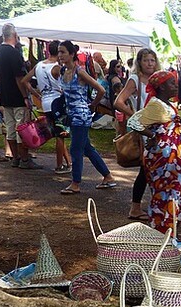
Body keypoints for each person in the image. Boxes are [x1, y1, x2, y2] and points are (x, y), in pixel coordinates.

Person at [127, 70, 181, 233]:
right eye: (171, 83)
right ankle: (163, 232)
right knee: (166, 193)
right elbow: (134, 122)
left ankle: (169, 233)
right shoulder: (156, 104)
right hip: (163, 159)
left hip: (173, 159)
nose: (175, 85)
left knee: (173, 192)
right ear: (161, 87)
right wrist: (153, 136)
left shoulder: (166, 104)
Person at [57, 41, 116, 195]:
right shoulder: (63, 71)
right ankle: (107, 176)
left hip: (81, 116)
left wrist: (93, 105)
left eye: (63, 52)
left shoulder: (80, 72)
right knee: (87, 148)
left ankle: (76, 183)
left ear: (71, 54)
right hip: (73, 115)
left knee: (76, 149)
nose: (60, 55)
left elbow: (101, 89)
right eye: (59, 52)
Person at [115, 48, 160, 221]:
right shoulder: (135, 80)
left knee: (150, 168)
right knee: (146, 168)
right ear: (139, 62)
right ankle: (136, 207)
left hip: (157, 127)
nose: (150, 63)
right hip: (143, 130)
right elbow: (118, 102)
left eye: (152, 60)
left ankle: (142, 206)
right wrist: (134, 115)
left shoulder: (156, 79)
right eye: (146, 60)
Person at [0, 23, 38, 169]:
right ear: (14, 35)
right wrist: (25, 96)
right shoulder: (14, 53)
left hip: (4, 96)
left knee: (11, 128)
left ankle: (15, 158)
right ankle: (24, 159)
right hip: (17, 96)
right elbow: (19, 78)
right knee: (21, 128)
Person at [21, 40, 71, 174]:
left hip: (45, 101)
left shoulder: (39, 65)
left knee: (57, 132)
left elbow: (25, 80)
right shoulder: (56, 68)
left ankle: (68, 162)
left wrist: (36, 94)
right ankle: (59, 165)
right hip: (56, 102)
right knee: (60, 134)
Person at [106, 59, 125, 135]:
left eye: (120, 66)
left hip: (114, 99)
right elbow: (120, 90)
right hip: (118, 100)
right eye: (118, 67)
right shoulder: (115, 78)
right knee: (120, 120)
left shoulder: (111, 76)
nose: (120, 68)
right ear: (113, 68)